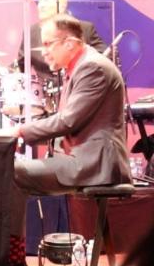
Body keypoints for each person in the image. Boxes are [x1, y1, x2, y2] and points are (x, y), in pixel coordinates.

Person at [13, 14, 131, 195]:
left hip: (93, 165)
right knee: (10, 170)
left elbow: (68, 121)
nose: (43, 52)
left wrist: (20, 131)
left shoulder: (92, 67)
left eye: (47, 44)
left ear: (68, 43)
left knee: (10, 172)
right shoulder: (79, 67)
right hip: (81, 160)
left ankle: (4, 224)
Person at [17, 0, 106, 84]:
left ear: (62, 6)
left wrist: (85, 73)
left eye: (46, 1)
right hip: (45, 91)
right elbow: (21, 65)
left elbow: (105, 55)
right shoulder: (30, 32)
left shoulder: (84, 28)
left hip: (79, 83)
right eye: (40, 1)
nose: (41, 6)